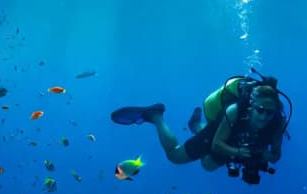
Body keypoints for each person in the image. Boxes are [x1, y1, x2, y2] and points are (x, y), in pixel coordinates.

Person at [111, 74, 289, 184]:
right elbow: (218, 143)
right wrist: (238, 151)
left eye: (269, 112)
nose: (264, 116)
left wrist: (266, 155)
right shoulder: (235, 111)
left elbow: (276, 155)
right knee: (175, 156)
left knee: (207, 165)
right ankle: (156, 115)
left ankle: (196, 126)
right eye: (260, 110)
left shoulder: (277, 121)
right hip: (226, 131)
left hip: (238, 143)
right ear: (251, 106)